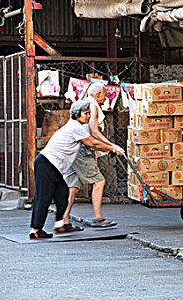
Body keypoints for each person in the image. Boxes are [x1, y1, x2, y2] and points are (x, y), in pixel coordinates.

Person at [29, 100, 125, 240]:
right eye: (86, 114)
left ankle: (61, 225)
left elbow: (94, 140)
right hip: (47, 163)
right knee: (43, 198)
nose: (88, 116)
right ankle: (36, 230)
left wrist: (110, 148)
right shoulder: (75, 127)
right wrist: (113, 148)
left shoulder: (79, 126)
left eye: (89, 113)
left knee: (63, 194)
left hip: (53, 166)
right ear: (76, 114)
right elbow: (93, 143)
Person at [62, 83, 122, 228]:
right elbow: (94, 131)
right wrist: (112, 146)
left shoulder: (83, 103)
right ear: (98, 94)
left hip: (74, 151)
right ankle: (97, 218)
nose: (105, 99)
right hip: (82, 151)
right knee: (99, 182)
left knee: (73, 186)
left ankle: (64, 219)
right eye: (104, 96)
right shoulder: (92, 106)